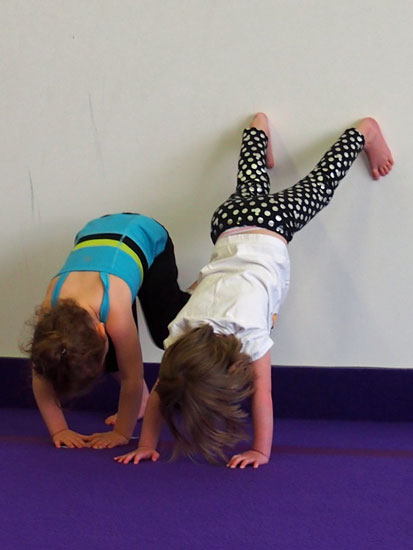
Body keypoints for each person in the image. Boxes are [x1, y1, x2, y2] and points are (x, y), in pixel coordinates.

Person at [114, 113, 393, 468]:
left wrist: (261, 450)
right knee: (250, 183)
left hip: (273, 223)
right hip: (228, 222)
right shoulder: (180, 334)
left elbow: (263, 393)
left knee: (320, 184)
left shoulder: (250, 334)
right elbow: (158, 395)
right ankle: (256, 131)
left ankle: (363, 133)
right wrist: (147, 443)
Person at [26, 213, 190, 449]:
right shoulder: (48, 319)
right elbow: (40, 374)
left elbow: (132, 377)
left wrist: (122, 433)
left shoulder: (113, 308)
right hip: (96, 236)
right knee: (109, 349)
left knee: (165, 331)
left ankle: (199, 294)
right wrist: (59, 429)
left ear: (103, 331)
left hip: (145, 234)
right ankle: (141, 400)